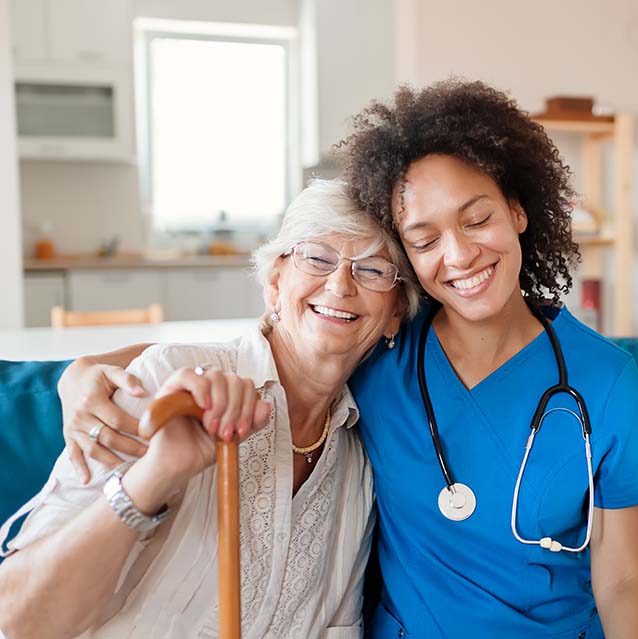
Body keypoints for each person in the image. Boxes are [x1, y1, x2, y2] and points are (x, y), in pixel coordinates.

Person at [55, 80, 638, 639]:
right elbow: (263, 345)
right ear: (408, 260)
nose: (459, 255)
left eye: (477, 220)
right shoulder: (384, 347)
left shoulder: (604, 382)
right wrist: (82, 370)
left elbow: (624, 581)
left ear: (518, 211)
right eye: (424, 239)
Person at [0, 179, 419, 639]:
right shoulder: (169, 382)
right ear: (275, 282)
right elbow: (17, 618)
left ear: (396, 310)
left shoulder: (357, 461)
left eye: (373, 270)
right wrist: (158, 473)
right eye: (317, 258)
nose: (340, 284)